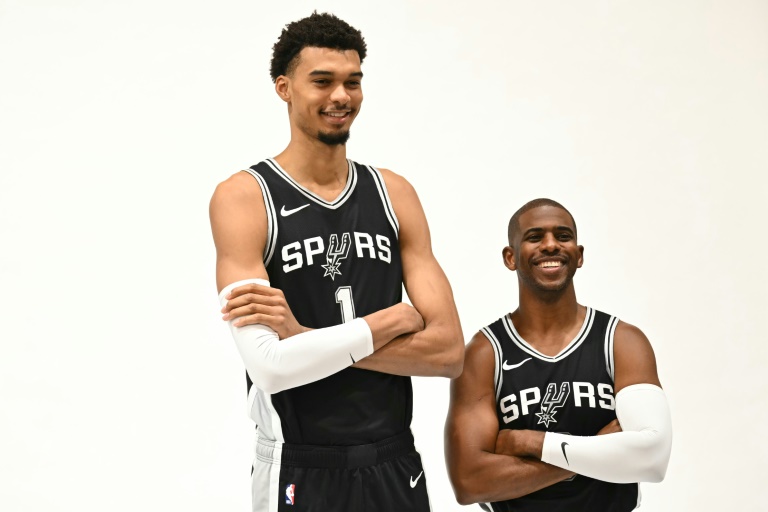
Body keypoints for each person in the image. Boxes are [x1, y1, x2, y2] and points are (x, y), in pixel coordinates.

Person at [209, 12, 464, 512]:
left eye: (353, 82)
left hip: (395, 458)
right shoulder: (244, 198)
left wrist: (305, 339)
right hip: (300, 463)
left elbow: (448, 351)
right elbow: (271, 367)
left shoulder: (393, 193)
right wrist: (387, 322)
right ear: (283, 87)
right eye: (321, 81)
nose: (341, 96)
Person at [445, 198, 672, 511]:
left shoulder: (621, 341)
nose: (550, 245)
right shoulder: (485, 353)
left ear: (579, 256)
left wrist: (529, 443)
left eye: (563, 236)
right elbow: (469, 482)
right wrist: (599, 451)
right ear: (510, 257)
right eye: (535, 237)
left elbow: (652, 458)